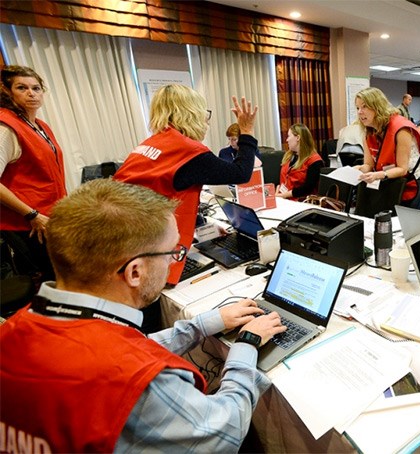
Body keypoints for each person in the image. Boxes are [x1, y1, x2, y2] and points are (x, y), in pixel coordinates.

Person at [0, 179, 286, 452]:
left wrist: (203, 324)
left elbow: (119, 348)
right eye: (172, 252)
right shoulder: (142, 383)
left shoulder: (17, 327)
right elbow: (225, 430)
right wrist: (246, 344)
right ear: (135, 272)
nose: (176, 259)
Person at [114, 84, 258, 286]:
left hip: (122, 243)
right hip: (146, 254)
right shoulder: (188, 151)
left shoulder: (150, 145)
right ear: (192, 113)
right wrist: (247, 130)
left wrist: (202, 225)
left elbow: (164, 191)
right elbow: (241, 173)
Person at [0, 65, 67, 282]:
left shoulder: (40, 126)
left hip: (49, 218)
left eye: (36, 88)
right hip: (27, 224)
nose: (31, 93)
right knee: (50, 282)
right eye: (22, 88)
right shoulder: (6, 128)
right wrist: (32, 215)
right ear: (8, 92)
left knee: (62, 277)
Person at [355, 87, 420, 210]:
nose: (360, 112)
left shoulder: (400, 128)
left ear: (377, 106)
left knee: (411, 214)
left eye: (365, 106)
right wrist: (359, 169)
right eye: (358, 108)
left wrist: (379, 175)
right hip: (392, 172)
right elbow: (369, 165)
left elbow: (402, 169)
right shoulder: (368, 131)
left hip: (419, 172)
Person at [277, 123, 323, 200]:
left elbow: (308, 188)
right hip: (284, 199)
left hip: (301, 202)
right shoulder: (288, 156)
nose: (286, 140)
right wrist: (277, 192)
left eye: (289, 136)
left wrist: (284, 195)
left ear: (298, 137)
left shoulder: (314, 161)